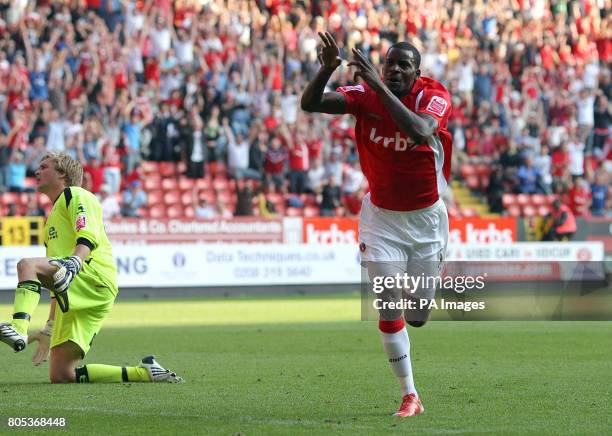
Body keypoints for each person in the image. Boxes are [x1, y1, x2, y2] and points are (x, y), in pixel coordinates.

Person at [301, 32, 452, 417]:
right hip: (381, 220)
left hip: (426, 222)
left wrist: (379, 86)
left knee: (417, 316)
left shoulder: (434, 96)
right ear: (382, 66)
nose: (396, 69)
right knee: (388, 305)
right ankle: (410, 395)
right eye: (391, 64)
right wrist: (328, 69)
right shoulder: (365, 94)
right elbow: (311, 103)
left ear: (417, 72)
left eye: (405, 65)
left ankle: (428, 278)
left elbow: (420, 130)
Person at [0, 152, 181, 384]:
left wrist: (75, 261)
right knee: (62, 375)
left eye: (44, 167)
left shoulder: (75, 194)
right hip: (76, 288)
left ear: (63, 173)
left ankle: (18, 327)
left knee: (26, 265)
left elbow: (88, 234)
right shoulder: (51, 219)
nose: (36, 171)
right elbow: (54, 278)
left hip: (92, 276)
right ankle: (145, 372)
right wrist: (49, 327)